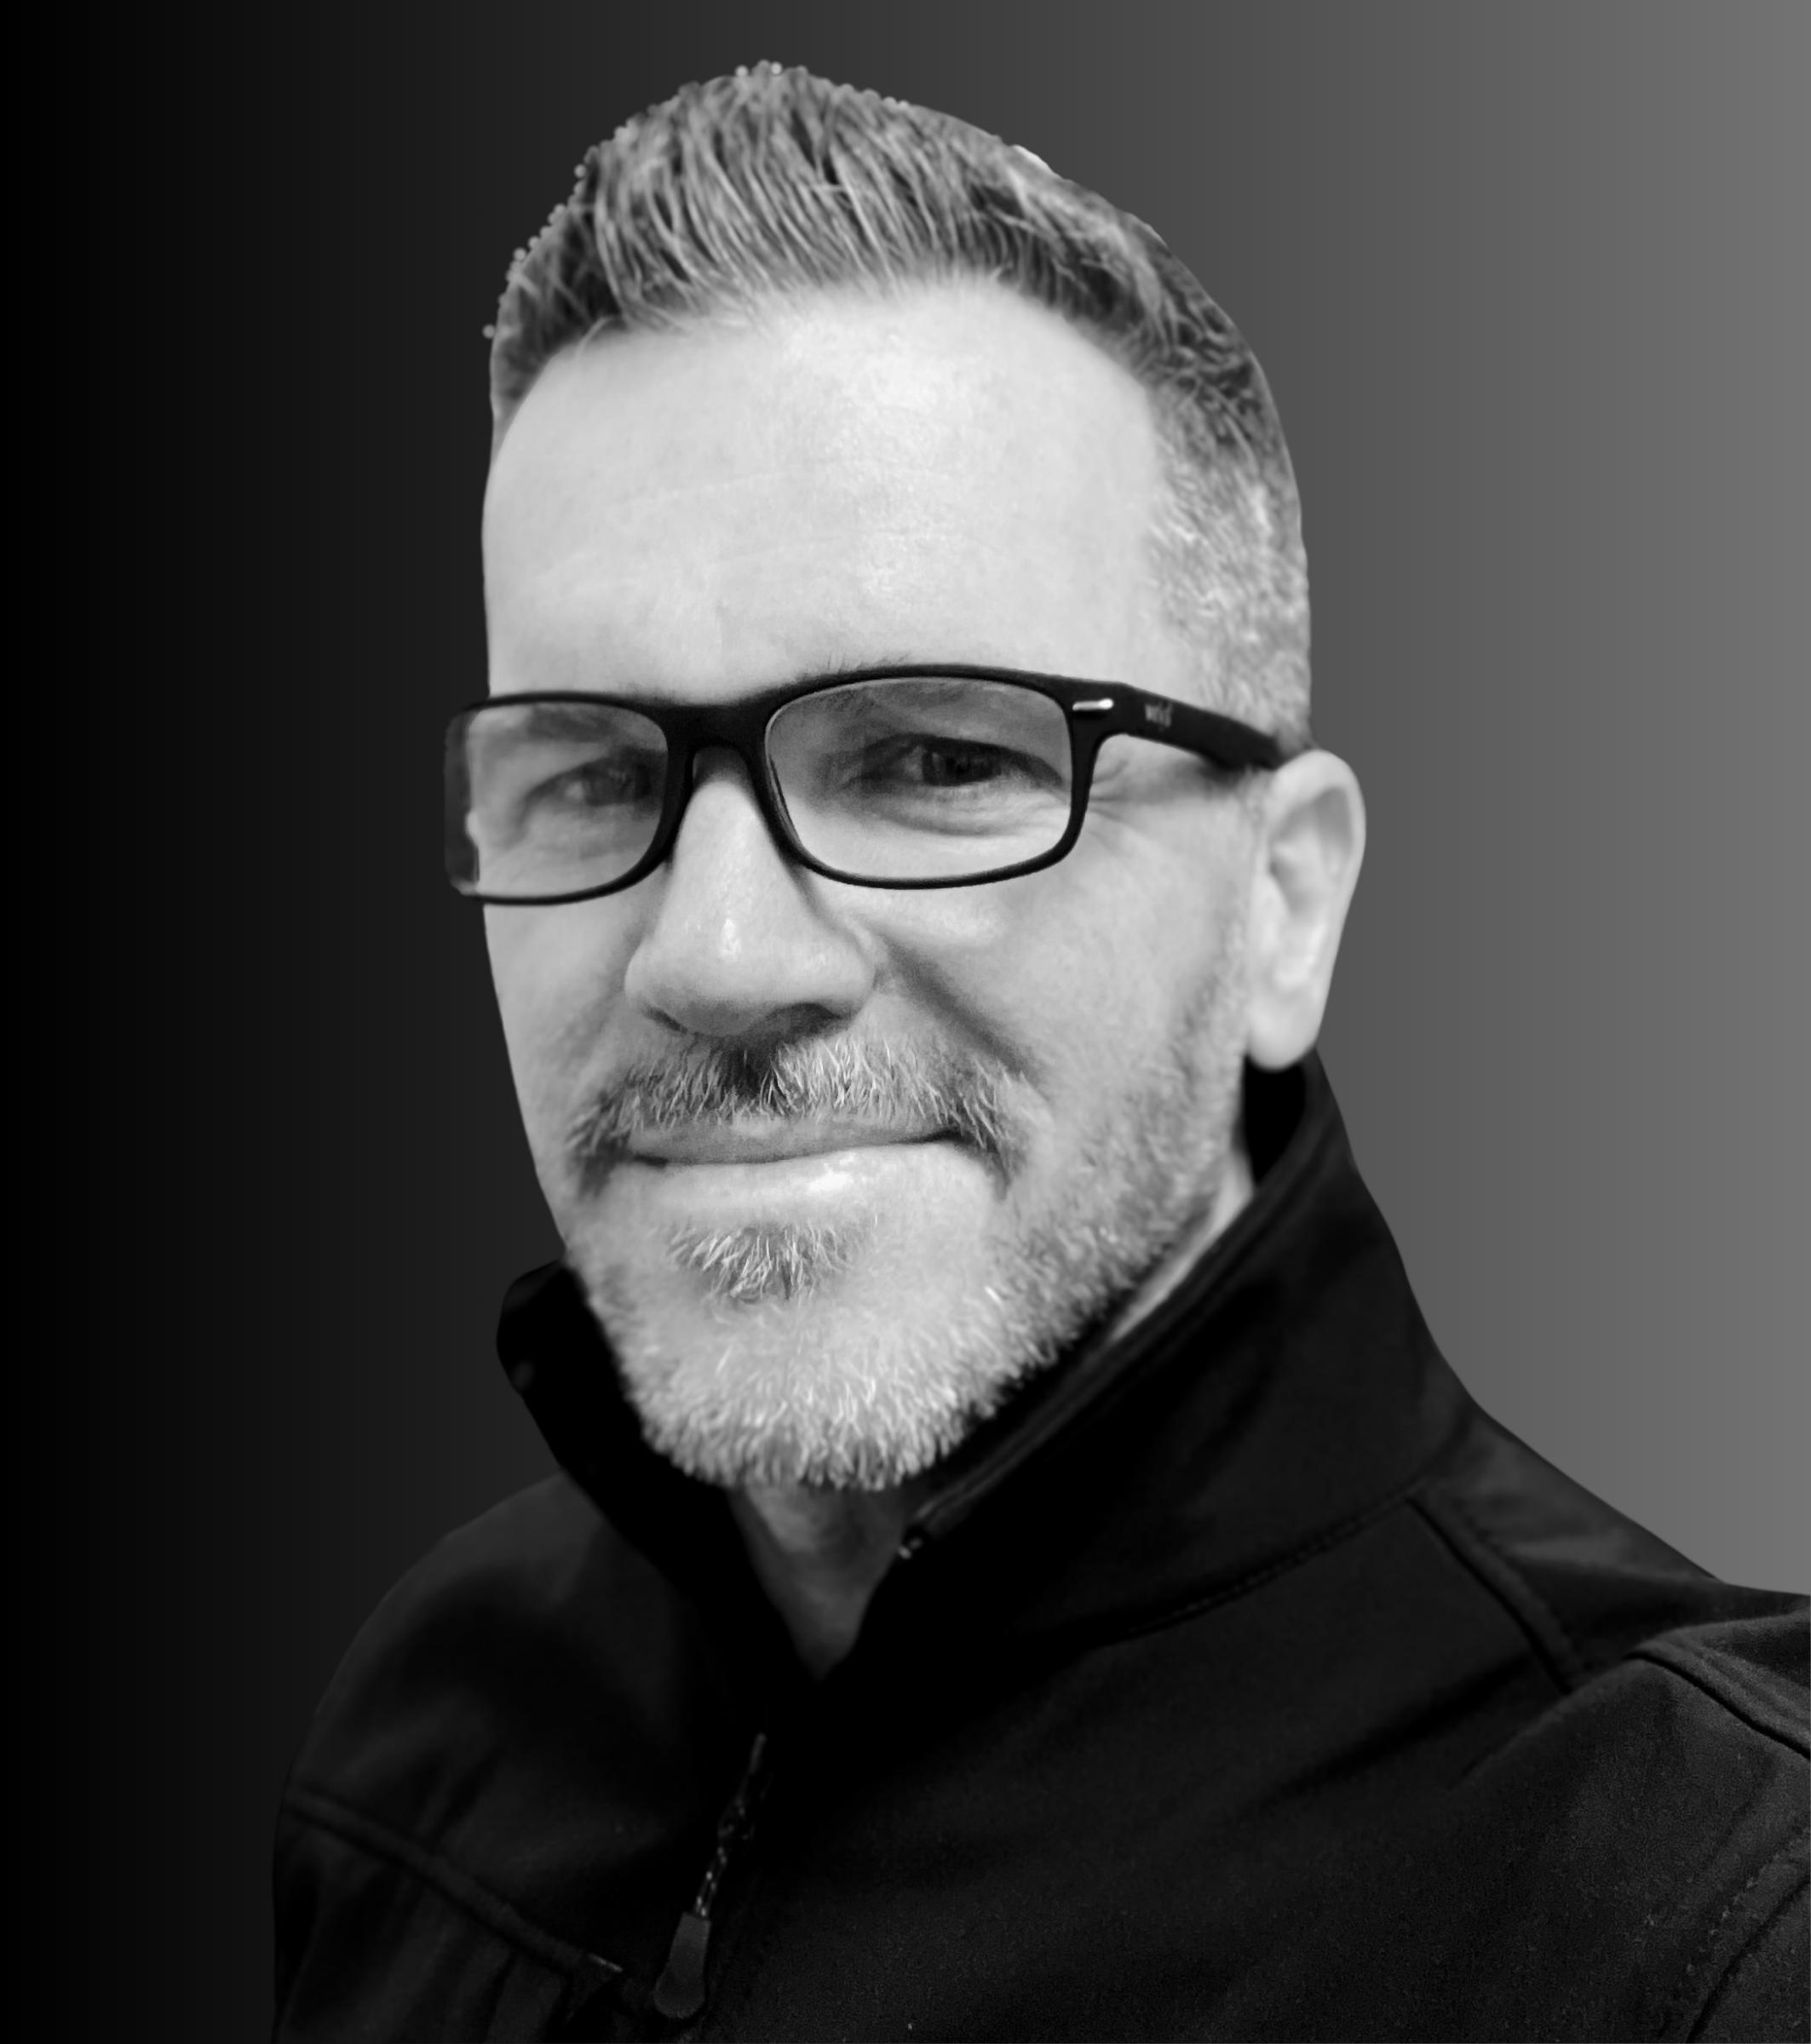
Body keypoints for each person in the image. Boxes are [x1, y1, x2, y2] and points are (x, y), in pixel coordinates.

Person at [272, 66, 1808, 2043]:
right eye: (593, 777)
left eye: (932, 760)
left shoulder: (1694, 1918)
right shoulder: (432, 1726)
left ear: (1282, 905)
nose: (715, 955)